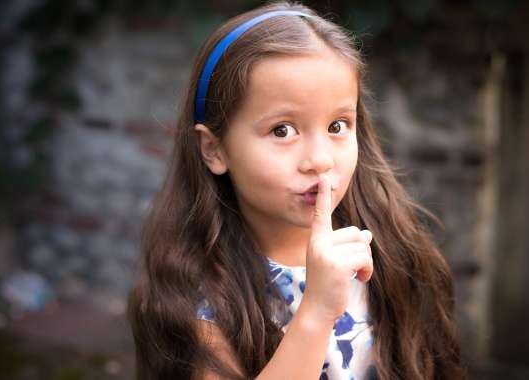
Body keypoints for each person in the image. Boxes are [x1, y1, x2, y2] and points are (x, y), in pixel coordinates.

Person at [127, 1, 465, 379]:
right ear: (214, 149)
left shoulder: (387, 253)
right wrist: (316, 312)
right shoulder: (200, 297)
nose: (320, 160)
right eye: (282, 130)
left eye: (338, 125)